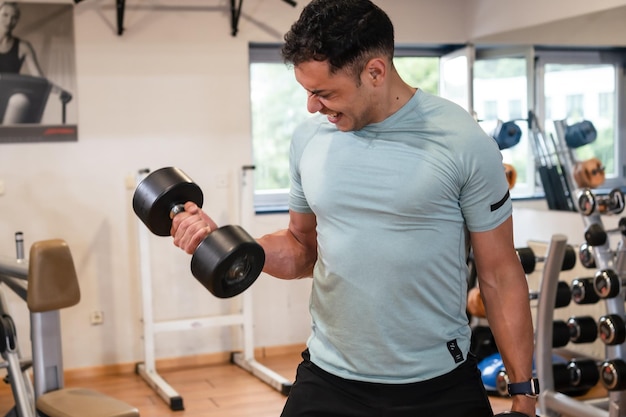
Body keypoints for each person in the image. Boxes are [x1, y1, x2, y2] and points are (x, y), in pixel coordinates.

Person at [171, 1, 537, 416]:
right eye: (307, 91)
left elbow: (500, 272)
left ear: (375, 72)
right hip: (329, 380)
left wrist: (523, 391)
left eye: (323, 92)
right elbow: (302, 248)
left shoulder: (463, 141)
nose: (312, 106)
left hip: (438, 385)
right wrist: (227, 243)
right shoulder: (309, 140)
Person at [0, 1, 70, 124]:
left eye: (14, 17)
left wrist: (60, 92)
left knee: (20, 100)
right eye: (5, 15)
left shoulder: (23, 47)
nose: (9, 21)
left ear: (17, 21)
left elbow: (40, 79)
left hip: (10, 102)